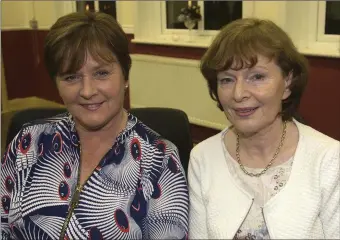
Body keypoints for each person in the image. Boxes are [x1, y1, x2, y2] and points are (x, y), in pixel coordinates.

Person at [1, 11, 189, 240]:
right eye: (71, 77)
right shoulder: (28, 142)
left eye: (101, 73)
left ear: (125, 76)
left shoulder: (159, 159)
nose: (88, 91)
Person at [188, 18, 339, 239]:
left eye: (257, 77)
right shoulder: (203, 158)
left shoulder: (329, 159)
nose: (239, 94)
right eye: (227, 80)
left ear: (287, 83)